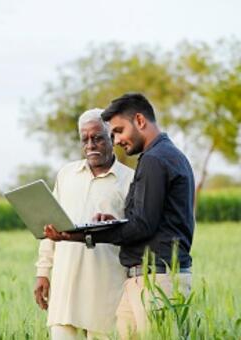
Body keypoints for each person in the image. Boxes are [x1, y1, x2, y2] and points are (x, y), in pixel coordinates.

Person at [44, 93, 195, 339]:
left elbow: (142, 226)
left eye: (118, 131)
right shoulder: (163, 156)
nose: (117, 140)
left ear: (139, 120)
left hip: (158, 279)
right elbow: (144, 218)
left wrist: (82, 235)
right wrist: (110, 223)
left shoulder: (155, 160)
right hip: (142, 278)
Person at [34, 108, 134, 340]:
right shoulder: (66, 174)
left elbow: (134, 234)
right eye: (85, 139)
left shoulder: (129, 180)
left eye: (97, 137)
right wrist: (42, 273)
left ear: (112, 138)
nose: (90, 144)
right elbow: (49, 227)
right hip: (64, 290)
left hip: (107, 291)